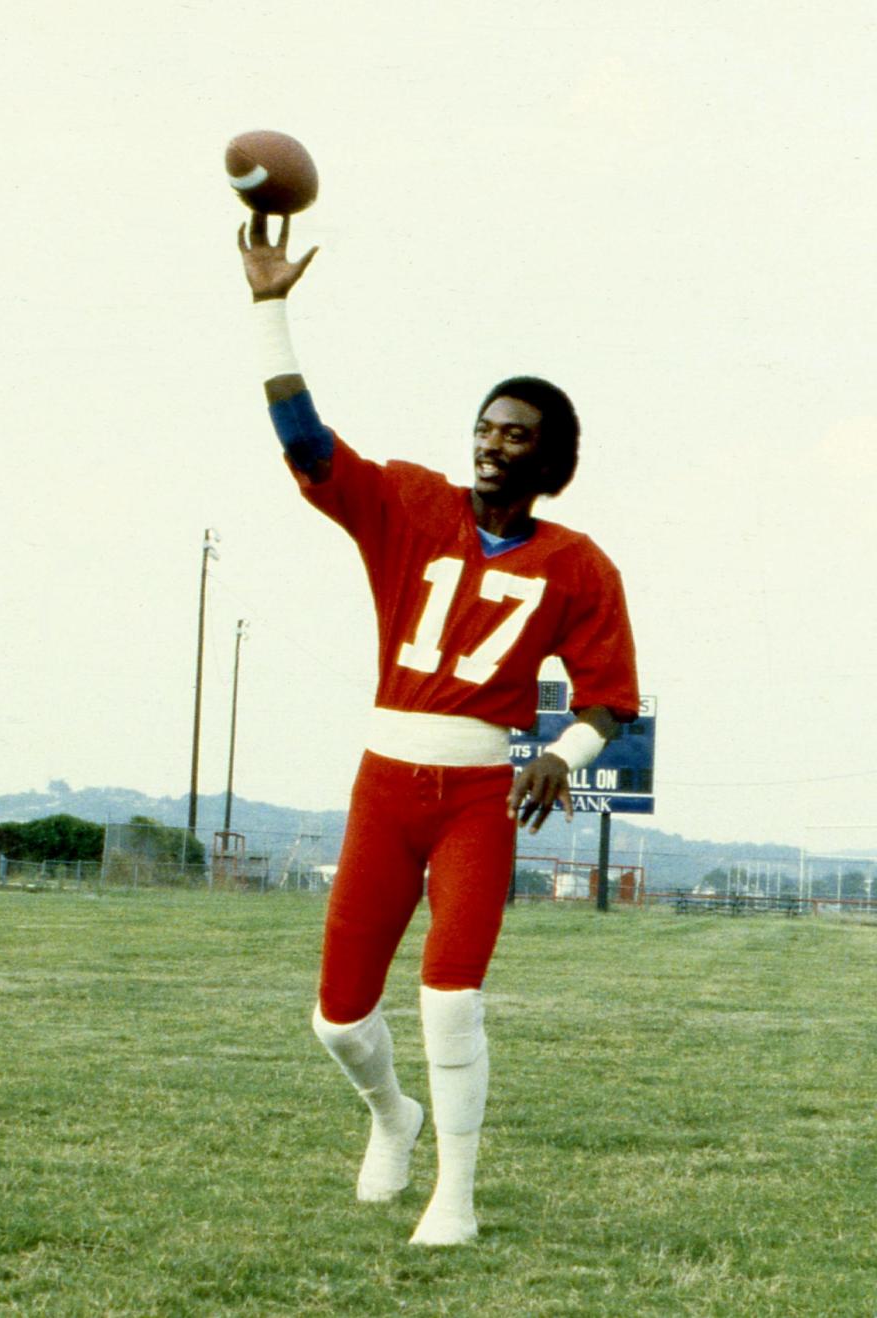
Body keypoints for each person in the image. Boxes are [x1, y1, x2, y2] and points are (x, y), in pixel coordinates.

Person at [237, 213, 639, 1246]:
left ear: (552, 459)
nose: (491, 443)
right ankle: (392, 1117)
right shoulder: (412, 503)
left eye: (516, 433)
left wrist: (561, 752)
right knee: (336, 1017)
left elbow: (610, 697)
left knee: (450, 998)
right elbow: (308, 445)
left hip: (475, 798)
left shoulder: (579, 561)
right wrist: (270, 308)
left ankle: (452, 1193)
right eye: (485, 426)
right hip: (385, 782)